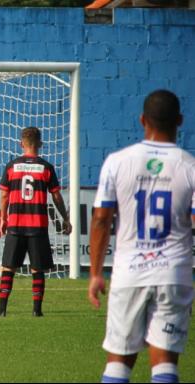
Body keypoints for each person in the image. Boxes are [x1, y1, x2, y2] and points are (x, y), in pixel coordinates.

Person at [89, 89, 193, 384]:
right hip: (173, 273)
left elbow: (100, 219)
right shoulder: (189, 166)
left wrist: (96, 273)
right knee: (165, 365)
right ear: (180, 121)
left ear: (142, 120)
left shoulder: (118, 162)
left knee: (119, 364)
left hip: (129, 272)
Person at [0, 126, 72, 317]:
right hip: (37, 226)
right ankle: (37, 311)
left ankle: (2, 310)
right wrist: (65, 218)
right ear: (41, 144)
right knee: (37, 269)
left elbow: (4, 196)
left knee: (8, 268)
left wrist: (3, 218)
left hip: (16, 224)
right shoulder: (46, 168)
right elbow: (56, 197)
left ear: (21, 144)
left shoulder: (12, 166)